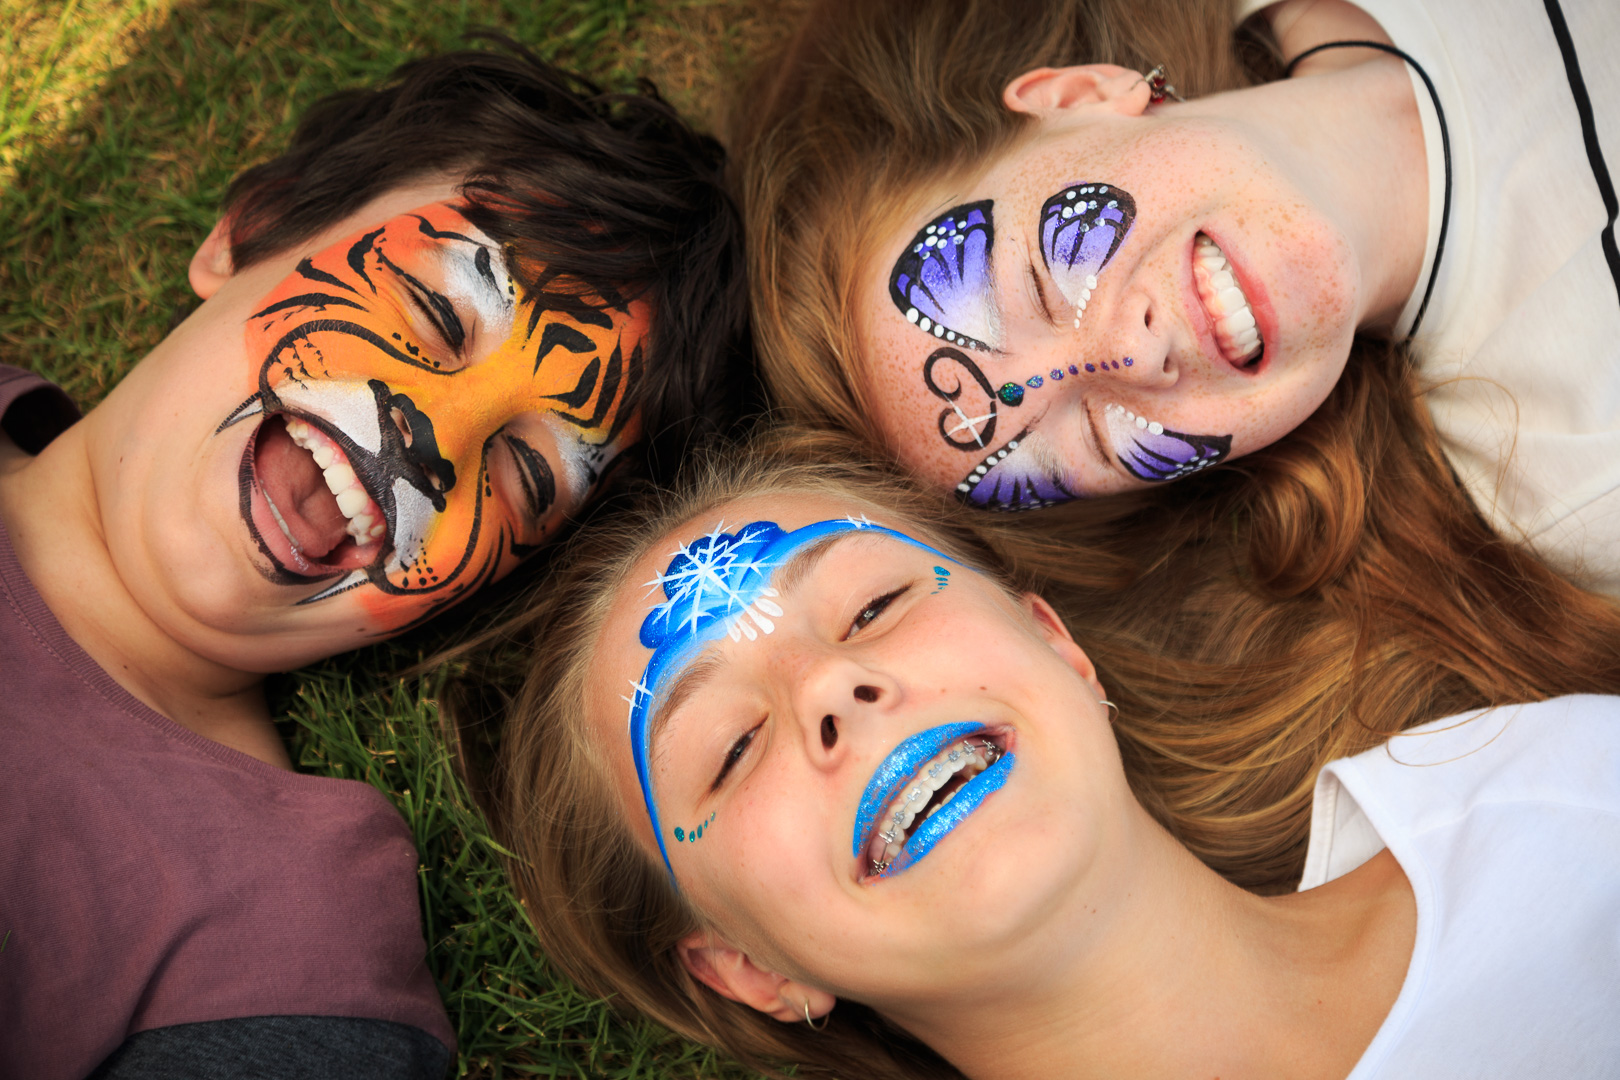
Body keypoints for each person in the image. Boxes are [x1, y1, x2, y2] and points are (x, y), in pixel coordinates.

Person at [0, 39, 748, 1080]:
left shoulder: (274, 944)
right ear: (253, 227)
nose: (435, 438)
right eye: (439, 312)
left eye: (527, 477)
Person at [448, 438, 1620, 1078]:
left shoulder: (1548, 799)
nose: (833, 690)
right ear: (749, 968)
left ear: (1057, 645)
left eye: (873, 608)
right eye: (732, 748)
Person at [732, 0, 1620, 595]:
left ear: (1081, 94)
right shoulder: (1578, 467)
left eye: (1046, 282)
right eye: (1090, 437)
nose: (1136, 357)